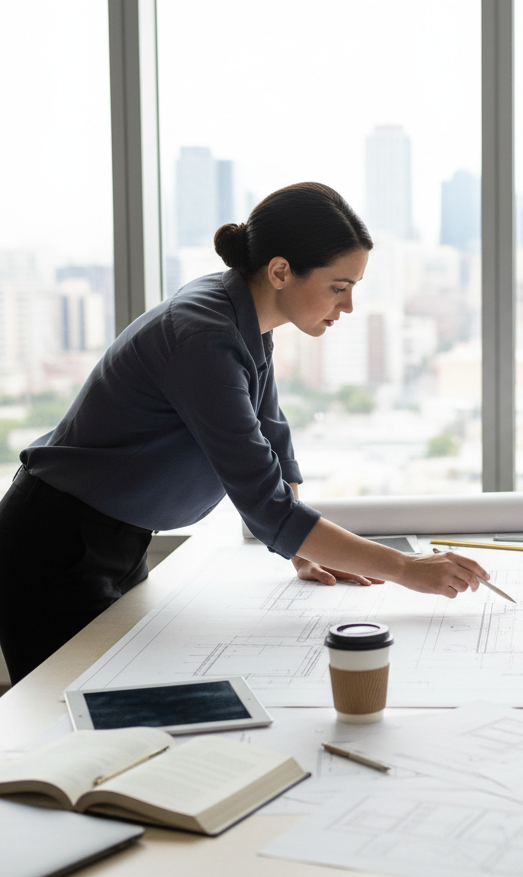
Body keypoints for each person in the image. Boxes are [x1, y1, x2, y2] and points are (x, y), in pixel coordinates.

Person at [0, 182, 488, 684]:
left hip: (112, 541)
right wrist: (405, 570)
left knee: (116, 710)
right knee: (61, 723)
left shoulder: (242, 319)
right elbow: (264, 504)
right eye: (339, 286)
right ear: (280, 271)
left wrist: (305, 547)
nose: (347, 307)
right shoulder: (205, 337)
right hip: (54, 547)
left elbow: (272, 439)